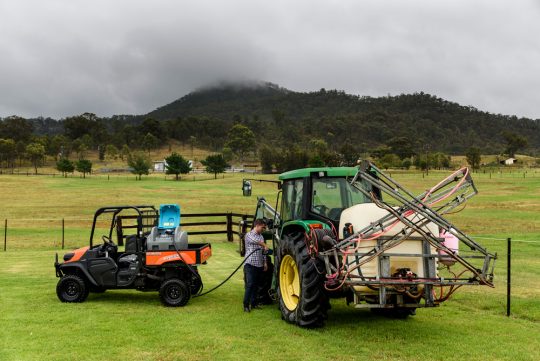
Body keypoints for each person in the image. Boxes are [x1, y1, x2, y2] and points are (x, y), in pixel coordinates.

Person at [243, 218, 268, 312]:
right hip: (250, 263)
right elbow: (256, 242)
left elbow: (263, 251)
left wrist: (265, 263)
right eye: (262, 227)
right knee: (250, 284)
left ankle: (254, 304)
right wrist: (264, 245)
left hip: (259, 264)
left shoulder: (261, 236)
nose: (263, 229)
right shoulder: (249, 235)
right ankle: (246, 305)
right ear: (257, 225)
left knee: (256, 285)